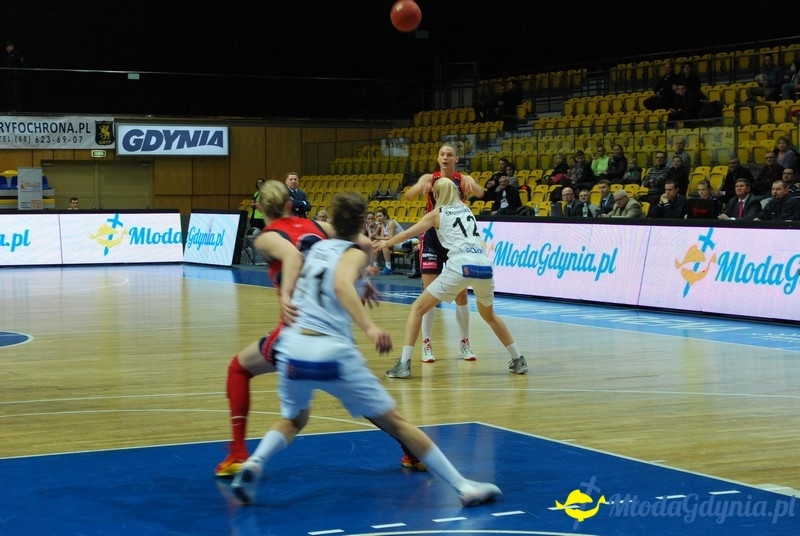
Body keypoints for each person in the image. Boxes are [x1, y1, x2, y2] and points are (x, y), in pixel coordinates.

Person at [230, 191, 501, 507]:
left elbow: (324, 275)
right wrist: (370, 327)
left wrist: (362, 281)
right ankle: (463, 486)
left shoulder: (316, 248)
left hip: (293, 347)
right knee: (397, 423)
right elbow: (341, 284)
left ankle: (254, 463)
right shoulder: (354, 253)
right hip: (330, 351)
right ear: (362, 223)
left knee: (294, 420)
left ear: (331, 221)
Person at [215, 180, 421, 477]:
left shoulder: (266, 236)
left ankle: (237, 454)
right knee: (360, 397)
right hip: (332, 322)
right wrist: (362, 278)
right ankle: (410, 448)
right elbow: (363, 243)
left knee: (239, 369)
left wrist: (285, 295)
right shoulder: (317, 225)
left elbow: (293, 256)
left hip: (298, 329)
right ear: (290, 203)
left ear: (259, 208)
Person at [379, 178, 528, 379]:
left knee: (417, 308)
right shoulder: (467, 210)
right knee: (490, 316)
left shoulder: (437, 214)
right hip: (484, 265)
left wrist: (386, 243)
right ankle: (518, 359)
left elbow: (408, 233)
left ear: (437, 195)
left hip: (461, 264)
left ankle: (404, 363)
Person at [400, 142, 483, 365]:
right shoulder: (430, 178)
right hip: (432, 238)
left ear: (456, 159)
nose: (445, 157)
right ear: (438, 158)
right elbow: (408, 196)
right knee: (429, 293)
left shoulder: (463, 179)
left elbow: (481, 193)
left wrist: (473, 185)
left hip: (454, 240)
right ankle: (426, 343)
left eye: (449, 155)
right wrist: (420, 187)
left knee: (462, 294)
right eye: (442, 154)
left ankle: (464, 342)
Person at [373, 206, 405, 275]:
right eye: (377, 216)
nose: (378, 218)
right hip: (394, 243)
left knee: (384, 243)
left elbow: (390, 238)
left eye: (380, 216)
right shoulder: (382, 225)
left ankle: (388, 267)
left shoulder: (391, 223)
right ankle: (375, 265)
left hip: (402, 243)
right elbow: (382, 237)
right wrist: (377, 238)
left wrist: (378, 238)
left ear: (385, 216)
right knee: (375, 243)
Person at [1, 40, 23, 112]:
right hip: (9, 77)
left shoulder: (16, 53)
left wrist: (16, 72)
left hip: (15, 77)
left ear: (12, 46)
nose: (7, 48)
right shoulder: (8, 55)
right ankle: (12, 107)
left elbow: (21, 64)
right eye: (6, 47)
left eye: (8, 47)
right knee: (6, 91)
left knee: (15, 93)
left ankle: (18, 108)